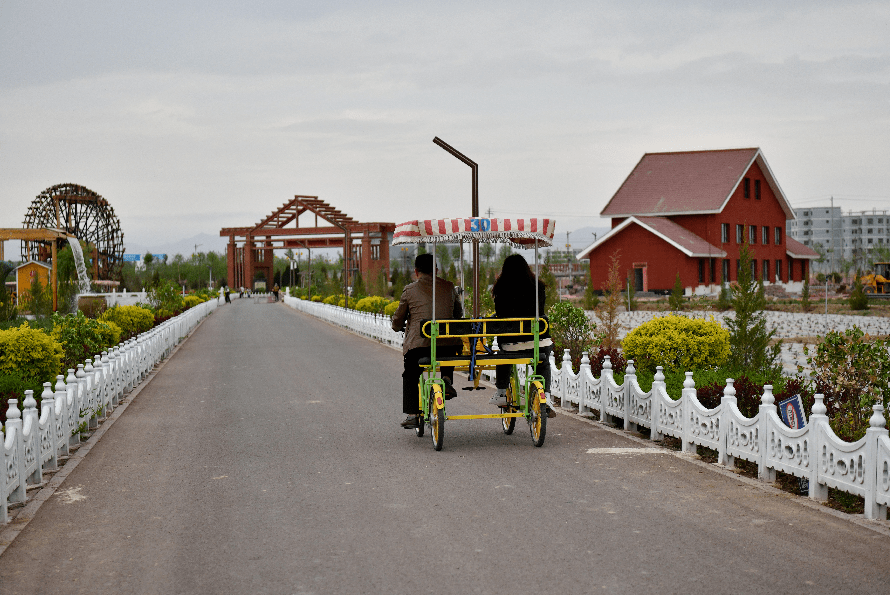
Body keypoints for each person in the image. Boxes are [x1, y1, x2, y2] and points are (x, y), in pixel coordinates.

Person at [391, 253, 463, 429]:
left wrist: (397, 325)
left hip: (419, 346)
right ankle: (446, 378)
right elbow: (458, 314)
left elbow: (398, 320)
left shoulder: (409, 290)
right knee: (447, 346)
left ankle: (412, 414)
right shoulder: (449, 286)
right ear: (436, 270)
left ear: (416, 272)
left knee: (410, 373)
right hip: (447, 345)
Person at [489, 254, 556, 418]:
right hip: (537, 340)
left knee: (503, 357)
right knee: (542, 363)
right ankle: (545, 396)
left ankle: (501, 391)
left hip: (512, 343)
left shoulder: (501, 288)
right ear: (527, 268)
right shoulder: (538, 286)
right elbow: (539, 311)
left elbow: (501, 315)